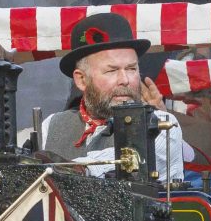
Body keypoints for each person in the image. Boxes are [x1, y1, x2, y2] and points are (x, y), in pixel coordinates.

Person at [35, 14, 188, 180]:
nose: (125, 80)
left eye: (131, 69)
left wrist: (74, 169)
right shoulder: (50, 126)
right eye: (112, 70)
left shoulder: (162, 125)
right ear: (81, 79)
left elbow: (130, 158)